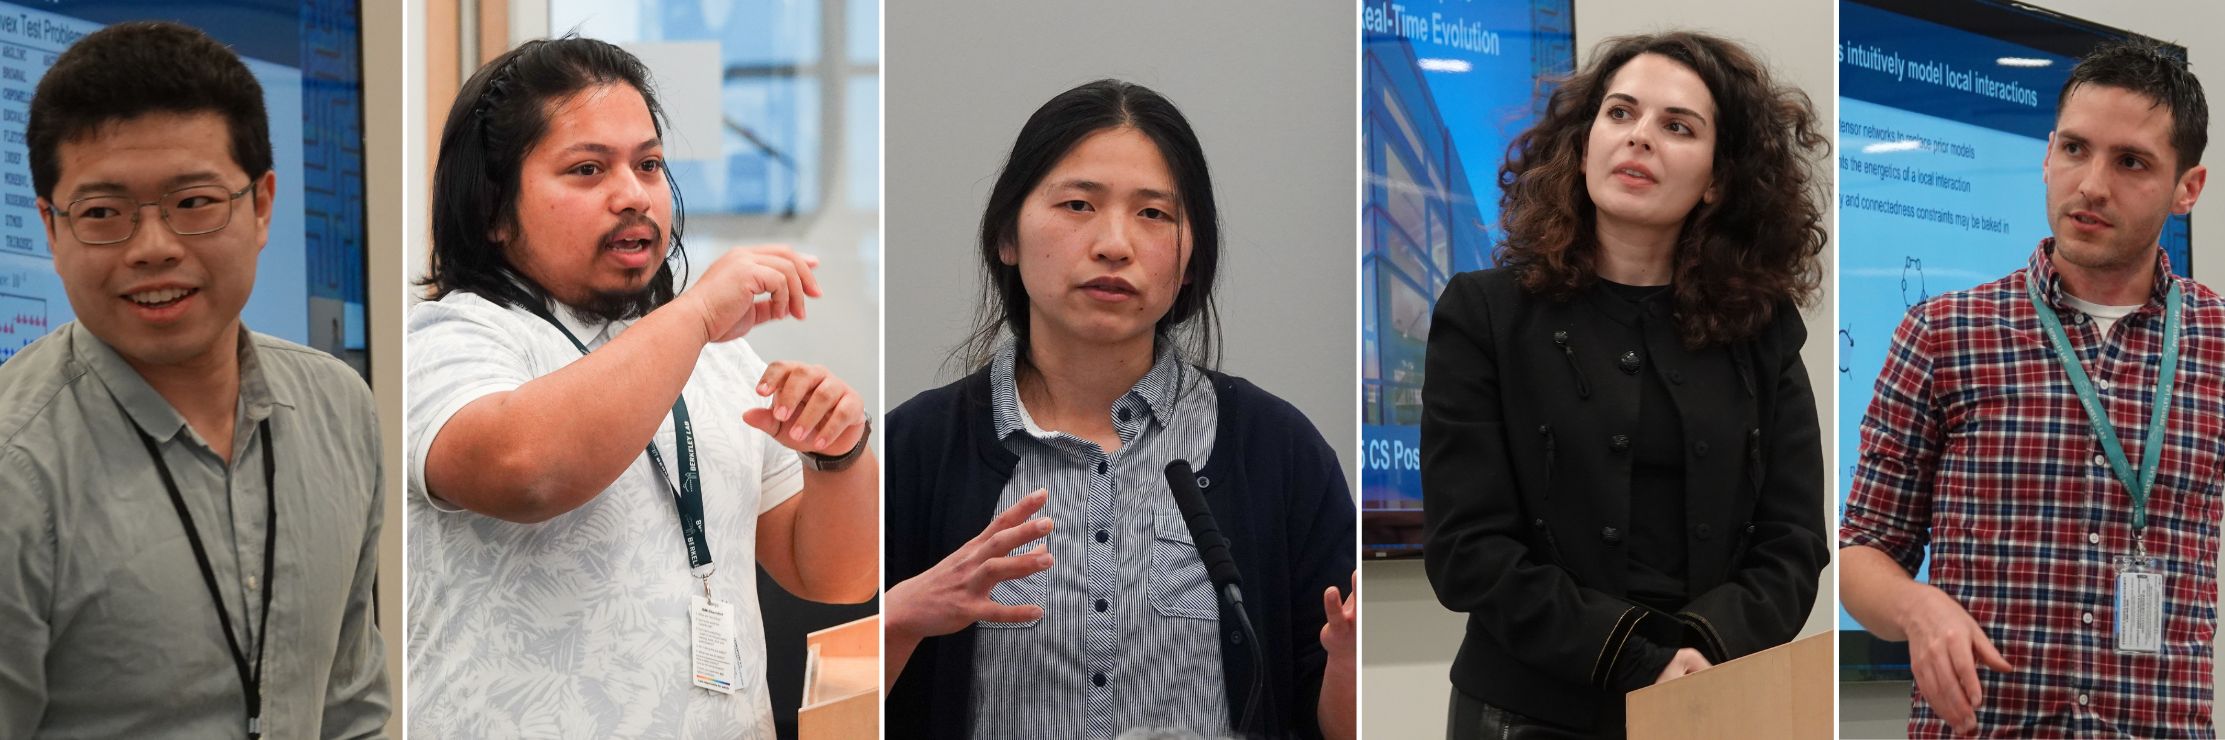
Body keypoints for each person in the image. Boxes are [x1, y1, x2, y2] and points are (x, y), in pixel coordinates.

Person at [404, 37, 877, 737]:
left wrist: (837, 455)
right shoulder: (450, 337)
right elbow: (526, 472)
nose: (632, 195)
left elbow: (834, 577)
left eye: (648, 164)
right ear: (495, 211)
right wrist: (696, 312)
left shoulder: (717, 354)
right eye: (588, 169)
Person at [882, 79, 1358, 739]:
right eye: (1078, 204)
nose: (1114, 244)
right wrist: (896, 619)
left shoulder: (1276, 449)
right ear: (1006, 235)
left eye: (1153, 214)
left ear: (1190, 261)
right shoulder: (917, 449)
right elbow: (837, 701)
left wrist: (1349, 664)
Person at [1420, 31, 1829, 738]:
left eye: (1676, 126)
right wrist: (1638, 657)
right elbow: (1468, 552)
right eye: (1619, 113)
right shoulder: (1483, 314)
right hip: (1524, 712)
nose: (1638, 138)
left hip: (1710, 701)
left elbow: (1792, 543)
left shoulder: (1762, 332)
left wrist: (1703, 650)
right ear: (1582, 145)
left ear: (1718, 179)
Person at [0, 21, 389, 738]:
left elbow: (349, 707)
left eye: (194, 203)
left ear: (262, 204)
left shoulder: (340, 409)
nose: (153, 248)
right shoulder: (17, 465)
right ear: (52, 233)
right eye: (102, 214)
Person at [1841, 38, 2215, 738]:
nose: (2091, 184)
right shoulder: (1942, 333)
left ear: (2185, 188)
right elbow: (1860, 551)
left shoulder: (2217, 346)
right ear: (2046, 155)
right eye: (2074, 149)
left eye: (2129, 162)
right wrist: (1917, 609)